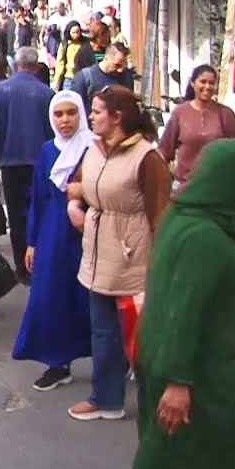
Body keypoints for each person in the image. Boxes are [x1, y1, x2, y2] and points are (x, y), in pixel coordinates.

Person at [119, 140, 235, 469]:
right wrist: (179, 381)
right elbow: (184, 310)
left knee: (182, 437)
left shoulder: (184, 218)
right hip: (196, 361)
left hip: (173, 354)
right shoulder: (203, 237)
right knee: (218, 427)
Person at [68, 85, 171, 422]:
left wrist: (162, 263)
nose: (91, 116)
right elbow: (81, 184)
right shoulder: (94, 149)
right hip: (98, 251)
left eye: (97, 111)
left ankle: (158, 399)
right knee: (102, 331)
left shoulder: (147, 158)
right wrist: (74, 202)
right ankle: (106, 399)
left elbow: (160, 214)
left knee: (140, 334)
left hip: (132, 253)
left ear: (117, 117)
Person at [14, 91, 93, 392]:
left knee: (92, 299)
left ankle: (115, 359)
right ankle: (58, 363)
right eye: (58, 114)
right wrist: (32, 242)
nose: (65, 120)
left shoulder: (93, 148)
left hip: (88, 230)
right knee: (52, 296)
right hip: (52, 234)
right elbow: (37, 198)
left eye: (71, 113)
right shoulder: (48, 151)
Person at [0, 47, 55, 284]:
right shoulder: (46, 93)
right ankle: (40, 263)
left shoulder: (1, 90)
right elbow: (53, 131)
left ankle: (22, 269)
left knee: (16, 216)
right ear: (35, 67)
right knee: (41, 212)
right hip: (40, 162)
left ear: (16, 66)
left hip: (10, 161)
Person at [157, 65, 235, 190]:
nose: (207, 87)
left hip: (218, 188)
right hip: (186, 188)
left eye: (211, 83)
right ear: (193, 83)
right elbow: (164, 151)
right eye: (203, 82)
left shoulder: (225, 114)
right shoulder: (180, 113)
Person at [71, 42, 135, 108]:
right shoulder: (84, 78)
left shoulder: (127, 76)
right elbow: (75, 108)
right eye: (117, 65)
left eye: (124, 66)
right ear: (106, 58)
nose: (120, 70)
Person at [53, 20, 86, 91]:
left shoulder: (84, 44)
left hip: (82, 76)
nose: (76, 35)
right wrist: (57, 81)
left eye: (78, 32)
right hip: (68, 77)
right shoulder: (65, 45)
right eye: (73, 33)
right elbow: (60, 63)